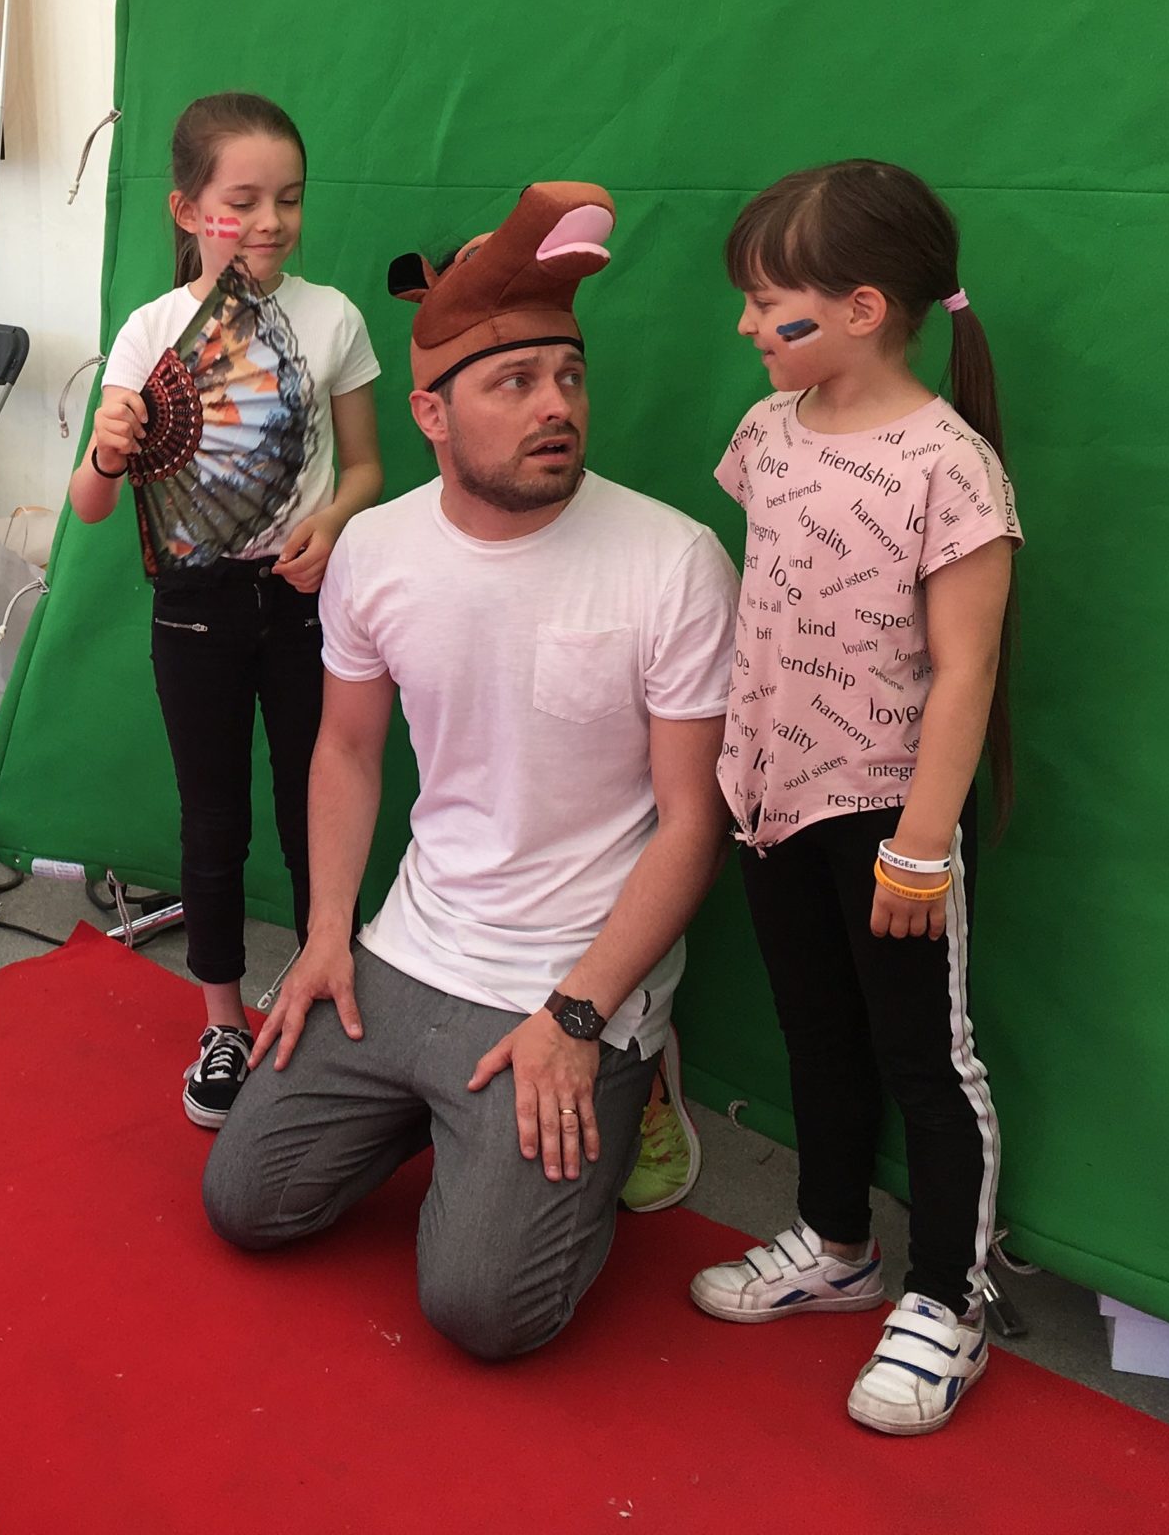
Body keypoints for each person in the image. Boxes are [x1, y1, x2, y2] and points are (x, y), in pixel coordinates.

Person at [203, 182, 738, 1362]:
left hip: (572, 980)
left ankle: (629, 1084)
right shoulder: (378, 549)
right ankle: (447, 1113)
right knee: (246, 1202)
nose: (556, 406)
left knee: (484, 1309)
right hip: (411, 946)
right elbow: (346, 748)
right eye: (515, 383)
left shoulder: (674, 560)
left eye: (570, 378)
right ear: (430, 414)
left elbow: (692, 822)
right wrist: (327, 932)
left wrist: (581, 1015)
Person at [688, 160, 1018, 1436]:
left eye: (765, 305)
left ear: (864, 309)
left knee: (925, 1060)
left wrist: (921, 846)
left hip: (886, 816)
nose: (743, 326)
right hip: (770, 800)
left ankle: (948, 1299)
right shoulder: (768, 432)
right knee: (813, 1030)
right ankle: (835, 1243)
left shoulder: (950, 467)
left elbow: (965, 670)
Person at [68, 92, 385, 1128]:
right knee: (212, 819)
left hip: (304, 602)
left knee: (313, 810)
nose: (268, 222)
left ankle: (323, 995)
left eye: (288, 199)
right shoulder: (152, 331)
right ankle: (221, 1023)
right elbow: (91, 503)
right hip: (193, 608)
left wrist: (331, 521)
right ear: (186, 209)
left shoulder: (333, 317)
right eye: (241, 202)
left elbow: (367, 466)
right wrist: (108, 447)